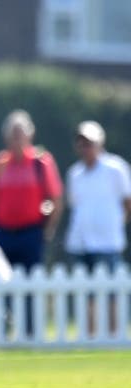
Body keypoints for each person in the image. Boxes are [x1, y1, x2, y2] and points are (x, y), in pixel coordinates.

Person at [0, 109, 63, 337]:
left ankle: (31, 331)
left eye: (20, 134)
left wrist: (47, 230)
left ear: (30, 136)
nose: (16, 140)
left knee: (31, 286)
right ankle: (7, 328)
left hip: (31, 233)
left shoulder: (41, 163)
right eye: (12, 135)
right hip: (3, 233)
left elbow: (55, 199)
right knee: (4, 285)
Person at [65, 121, 131, 336]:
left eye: (90, 143)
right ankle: (90, 336)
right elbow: (75, 205)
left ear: (100, 143)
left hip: (108, 241)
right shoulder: (74, 173)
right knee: (87, 294)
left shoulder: (116, 168)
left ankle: (113, 335)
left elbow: (127, 201)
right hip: (81, 241)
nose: (86, 148)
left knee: (111, 293)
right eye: (82, 143)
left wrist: (117, 223)